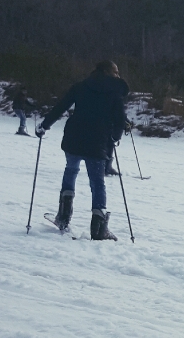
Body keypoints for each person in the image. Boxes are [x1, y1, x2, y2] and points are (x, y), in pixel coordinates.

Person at [37, 61, 129, 240]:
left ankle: (63, 216)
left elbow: (61, 106)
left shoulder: (81, 87)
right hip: (97, 142)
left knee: (71, 170)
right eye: (116, 71)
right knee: (97, 181)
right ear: (108, 72)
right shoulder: (115, 92)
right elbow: (120, 119)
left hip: (74, 138)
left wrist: (44, 125)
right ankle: (98, 228)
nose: (118, 75)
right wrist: (115, 137)